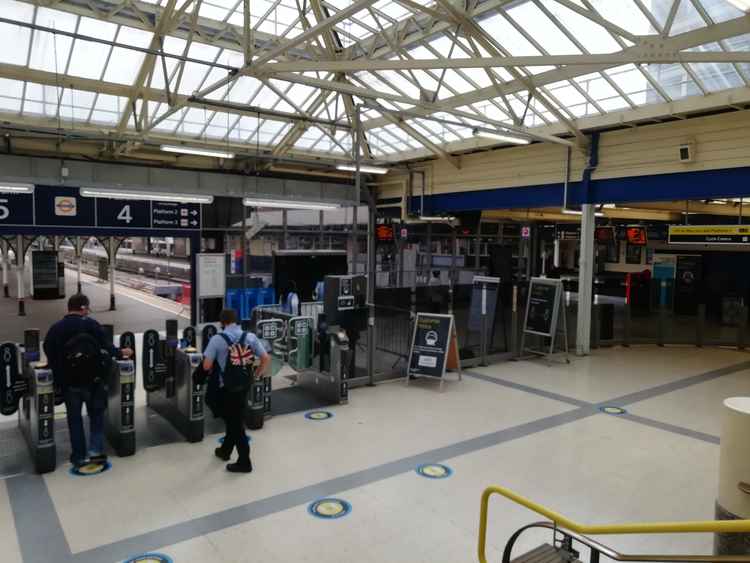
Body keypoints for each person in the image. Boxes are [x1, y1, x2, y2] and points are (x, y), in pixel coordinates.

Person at [43, 294, 133, 468]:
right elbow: (108, 347)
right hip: (93, 382)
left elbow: (48, 348)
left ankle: (78, 456)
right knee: (96, 417)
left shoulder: (57, 328)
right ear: (83, 308)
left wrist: (58, 370)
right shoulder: (91, 324)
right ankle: (96, 453)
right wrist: (123, 352)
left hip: (69, 384)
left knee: (74, 420)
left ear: (69, 308)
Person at [202, 308, 270, 473]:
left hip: (226, 388)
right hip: (244, 385)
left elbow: (206, 366)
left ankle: (244, 461)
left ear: (222, 322)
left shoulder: (217, 339)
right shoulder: (250, 337)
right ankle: (225, 450)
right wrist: (256, 375)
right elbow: (265, 358)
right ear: (237, 320)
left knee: (235, 423)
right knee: (234, 418)